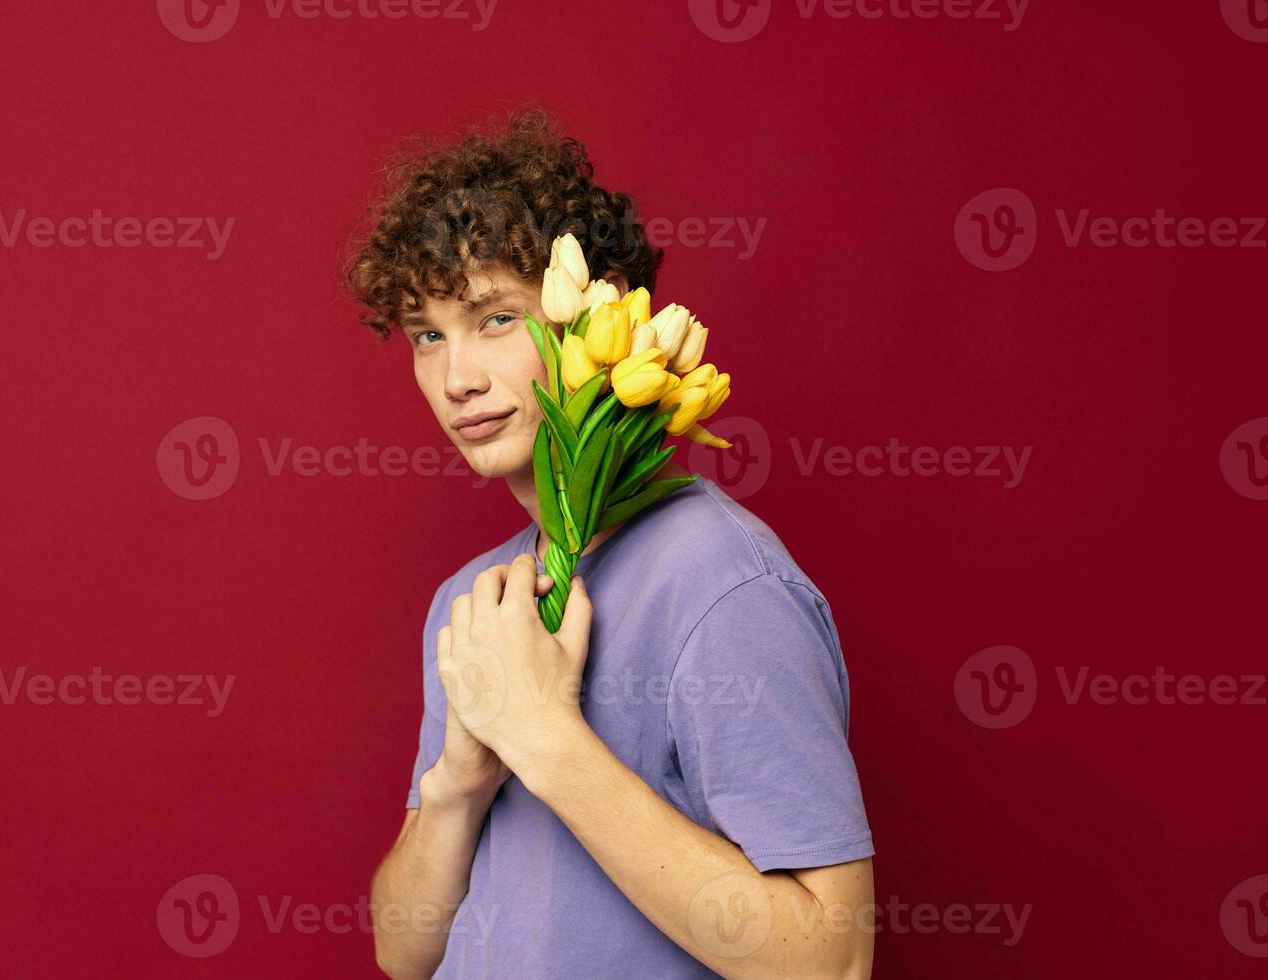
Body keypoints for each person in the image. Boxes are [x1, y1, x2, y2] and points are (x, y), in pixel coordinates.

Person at [345, 108, 875, 980]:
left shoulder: (722, 584)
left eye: (496, 319)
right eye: (427, 335)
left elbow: (831, 960)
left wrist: (544, 737)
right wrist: (458, 783)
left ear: (597, 310)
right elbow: (405, 953)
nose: (456, 378)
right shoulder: (477, 601)